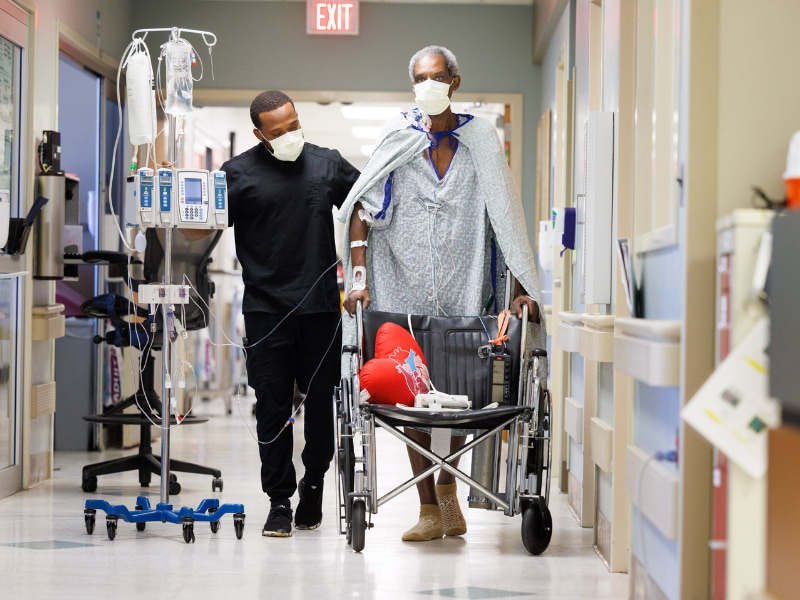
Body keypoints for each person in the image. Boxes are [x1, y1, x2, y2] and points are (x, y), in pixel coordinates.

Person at [340, 46, 546, 542]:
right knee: (411, 398)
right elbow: (360, 211)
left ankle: (450, 491)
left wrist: (517, 288)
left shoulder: (479, 140)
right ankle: (427, 506)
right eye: (419, 78)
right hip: (403, 289)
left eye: (437, 76)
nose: (428, 84)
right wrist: (360, 279)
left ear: (455, 81)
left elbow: (506, 223)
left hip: (464, 287)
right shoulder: (398, 138)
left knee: (458, 395)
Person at [221, 90, 359, 537]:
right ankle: (279, 500)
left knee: (322, 406)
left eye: (294, 124)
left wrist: (359, 271)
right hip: (266, 311)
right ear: (260, 134)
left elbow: (366, 203)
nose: (290, 135)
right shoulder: (238, 174)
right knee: (273, 409)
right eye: (278, 132)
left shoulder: (327, 164)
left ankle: (314, 485)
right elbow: (199, 224)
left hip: (321, 310)